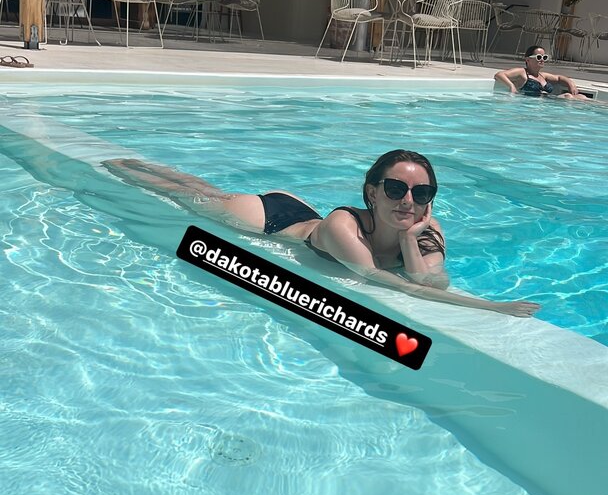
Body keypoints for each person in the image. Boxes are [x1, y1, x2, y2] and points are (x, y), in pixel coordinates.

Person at [102, 149, 540, 317]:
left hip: (303, 213)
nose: (408, 200)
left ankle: (142, 167)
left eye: (421, 192)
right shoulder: (344, 226)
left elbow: (430, 281)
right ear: (372, 192)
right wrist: (490, 307)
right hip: (273, 219)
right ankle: (127, 166)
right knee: (194, 196)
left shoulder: (427, 230)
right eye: (395, 189)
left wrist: (410, 238)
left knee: (201, 192)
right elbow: (388, 281)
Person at [494, 46, 591, 100]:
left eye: (544, 57)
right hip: (529, 105)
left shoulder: (543, 75)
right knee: (568, 96)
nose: (542, 60)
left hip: (547, 104)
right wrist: (511, 86)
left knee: (581, 96)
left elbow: (559, 78)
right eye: (539, 57)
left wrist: (571, 84)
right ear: (528, 60)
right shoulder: (522, 72)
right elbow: (499, 75)